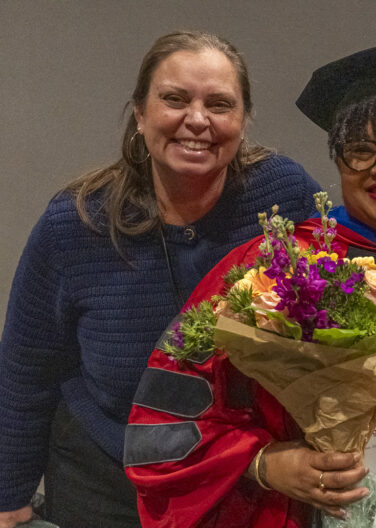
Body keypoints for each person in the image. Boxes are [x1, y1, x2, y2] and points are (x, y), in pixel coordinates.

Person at [125, 45, 376, 527]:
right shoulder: (275, 267)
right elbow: (167, 418)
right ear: (338, 162)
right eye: (360, 150)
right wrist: (264, 463)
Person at [0, 30, 320, 528]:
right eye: (174, 99)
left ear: (243, 121)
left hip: (247, 481)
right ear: (140, 113)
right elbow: (25, 369)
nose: (197, 120)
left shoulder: (285, 195)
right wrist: (8, 496)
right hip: (106, 485)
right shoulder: (76, 223)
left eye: (219, 104)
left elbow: (342, 299)